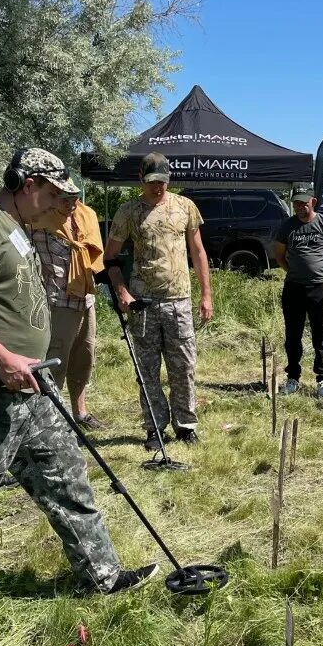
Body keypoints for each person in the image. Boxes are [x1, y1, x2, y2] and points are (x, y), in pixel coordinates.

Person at [0, 147, 158, 617]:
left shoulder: (18, 227)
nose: (59, 204)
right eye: (54, 193)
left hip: (32, 386)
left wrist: (27, 365)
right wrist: (3, 359)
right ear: (28, 184)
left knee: (67, 478)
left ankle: (100, 575)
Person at [105, 153, 213, 450]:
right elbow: (110, 256)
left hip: (179, 301)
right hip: (143, 302)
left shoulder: (185, 207)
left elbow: (199, 252)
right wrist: (122, 292)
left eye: (163, 181)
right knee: (147, 369)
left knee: (183, 366)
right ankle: (154, 426)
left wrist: (206, 294)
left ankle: (186, 425)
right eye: (152, 181)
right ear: (141, 179)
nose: (158, 187)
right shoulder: (128, 211)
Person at [30, 186, 107, 429]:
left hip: (85, 298)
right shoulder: (38, 220)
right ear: (53, 196)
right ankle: (52, 418)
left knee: (84, 357)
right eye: (65, 198)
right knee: (56, 360)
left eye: (75, 197)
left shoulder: (87, 216)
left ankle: (80, 413)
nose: (71, 203)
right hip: (57, 301)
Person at [274, 184, 323, 398]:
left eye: (304, 202)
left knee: (320, 334)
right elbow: (279, 255)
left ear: (313, 201)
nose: (300, 207)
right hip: (294, 287)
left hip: (319, 287)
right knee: (292, 334)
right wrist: (293, 271)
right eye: (296, 203)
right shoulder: (287, 226)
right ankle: (292, 377)